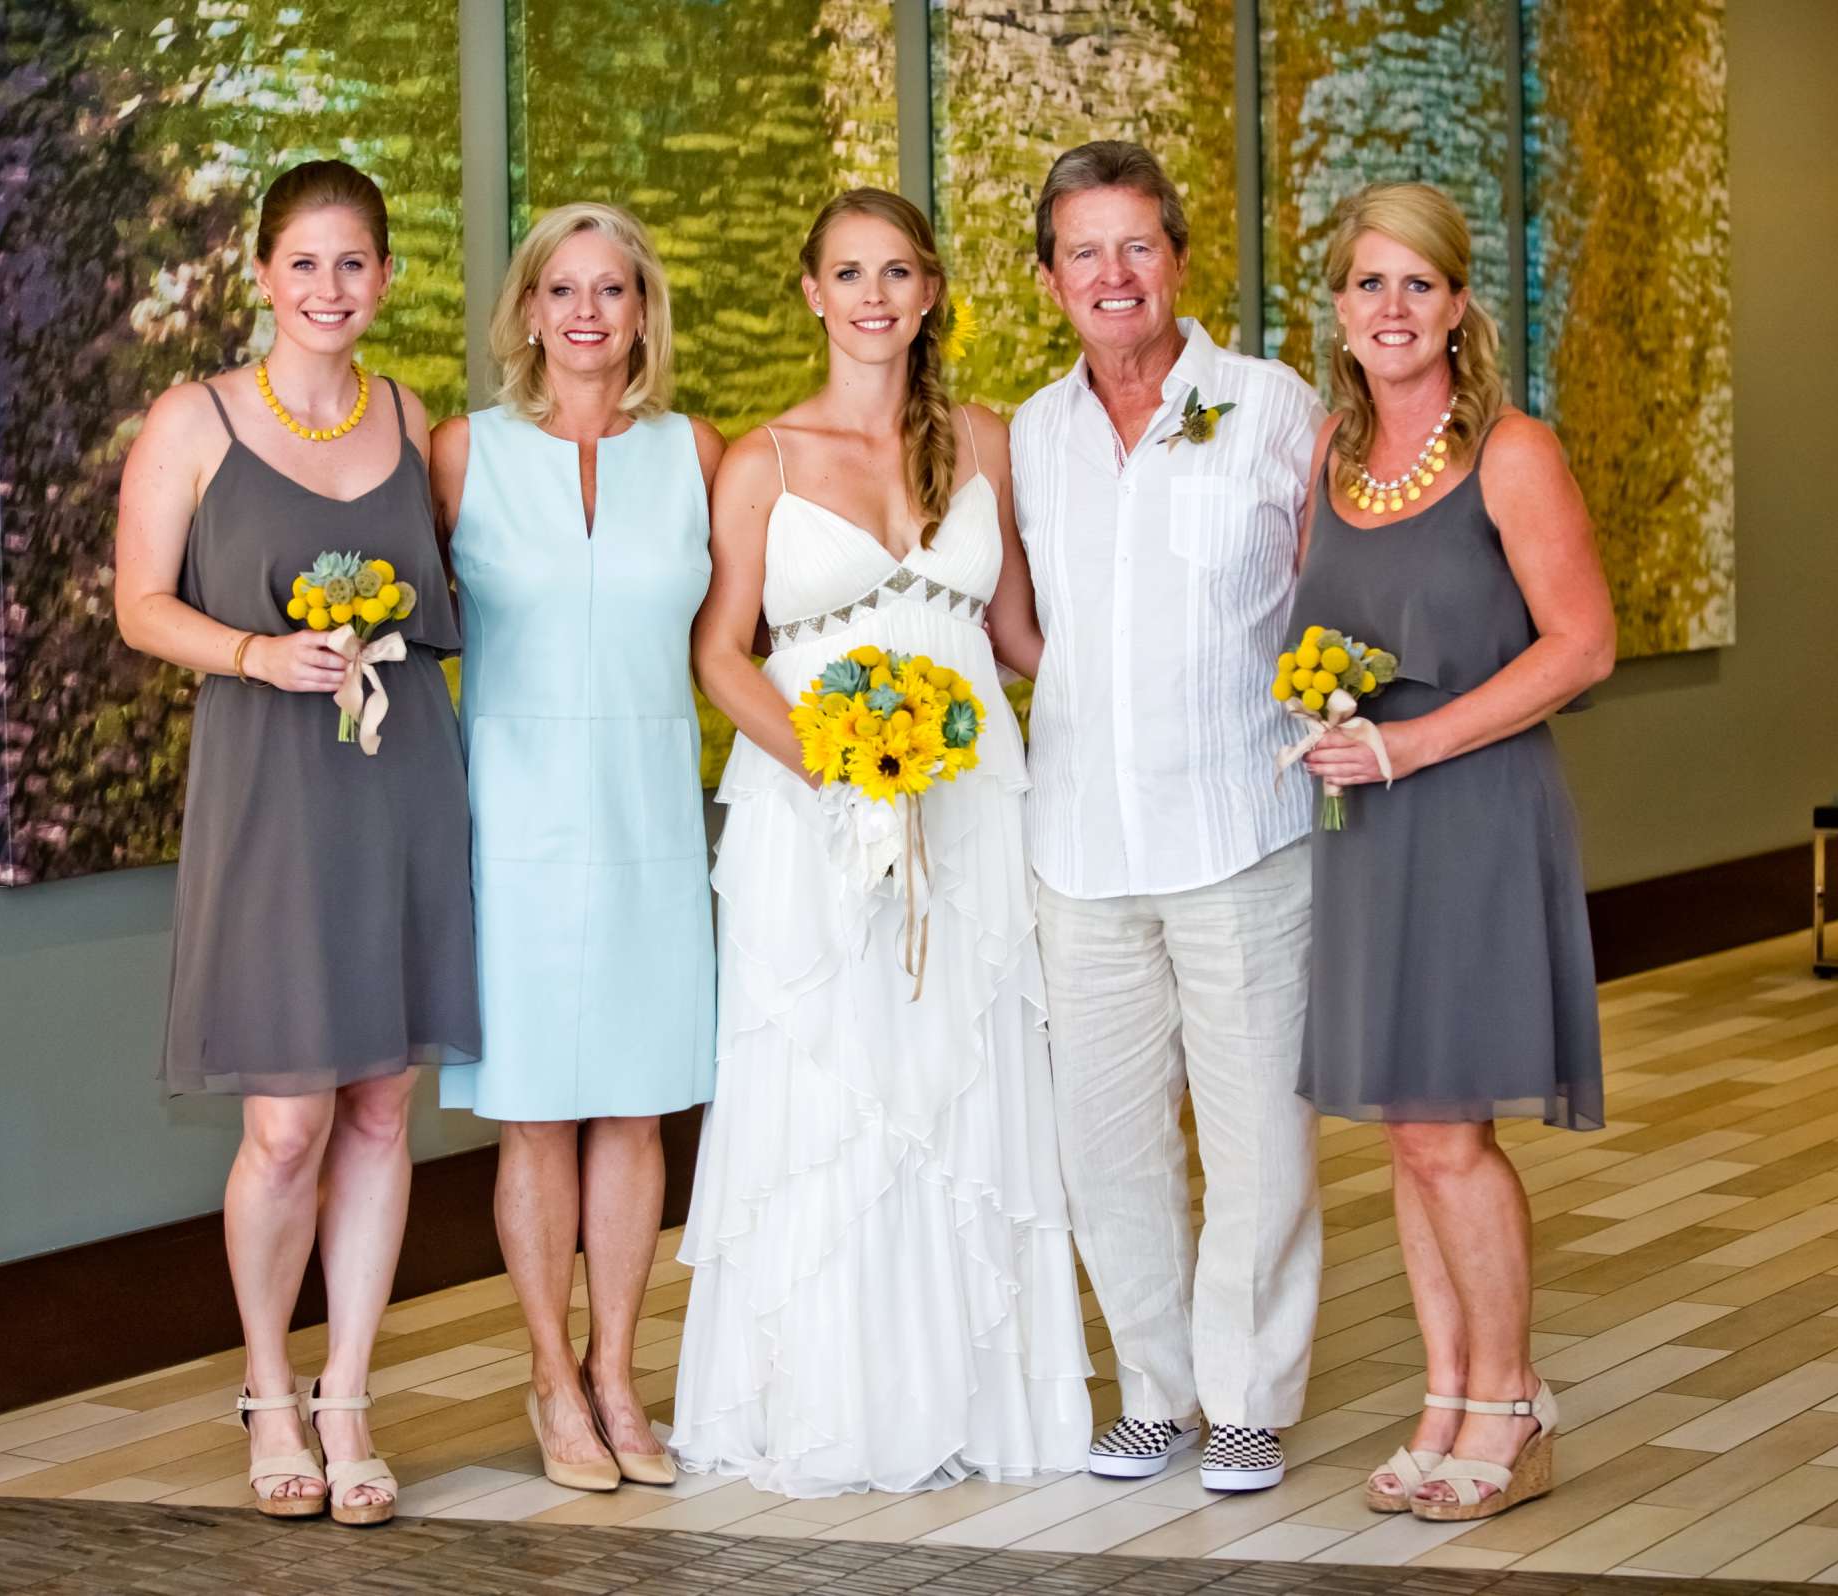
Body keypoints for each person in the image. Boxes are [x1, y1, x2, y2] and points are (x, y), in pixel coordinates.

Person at [673, 187, 1090, 1498]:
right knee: (832, 1088)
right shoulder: (764, 459)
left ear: (928, 292)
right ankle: (820, 1402)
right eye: (848, 273)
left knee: (963, 1073)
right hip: (811, 818)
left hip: (970, 806)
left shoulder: (987, 441)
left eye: (896, 272)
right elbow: (716, 651)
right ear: (813, 292)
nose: (871, 295)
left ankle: (983, 1397)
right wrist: (840, 766)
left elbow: (1020, 637)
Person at [114, 159, 480, 1525]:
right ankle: (269, 1383)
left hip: (398, 784)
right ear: (262, 276)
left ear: (384, 280)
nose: (330, 288)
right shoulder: (193, 420)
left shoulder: (407, 413)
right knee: (287, 1122)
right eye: (304, 264)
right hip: (270, 788)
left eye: (355, 264)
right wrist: (257, 653)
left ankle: (351, 1398)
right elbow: (139, 605)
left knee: (384, 1103)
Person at [1293, 180, 1611, 1522]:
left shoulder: (1513, 453)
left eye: (1418, 284)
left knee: (1448, 1131)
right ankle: (1446, 1396)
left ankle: (1514, 1401)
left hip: (1471, 812)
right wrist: (1318, 707)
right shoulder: (1330, 457)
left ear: (1460, 304)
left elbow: (1581, 647)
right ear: (1339, 307)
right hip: (1365, 825)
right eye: (1370, 284)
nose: (1393, 309)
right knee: (1408, 1135)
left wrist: (1410, 747)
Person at [1009, 140, 1324, 1490]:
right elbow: (1024, 621)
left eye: (1137, 245)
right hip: (1078, 846)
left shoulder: (1268, 404)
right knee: (1103, 1139)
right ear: (1049, 277)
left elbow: (1328, 595)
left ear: (1180, 261)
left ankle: (1249, 1395)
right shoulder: (1034, 428)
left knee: (1257, 1132)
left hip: (1239, 828)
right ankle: (1156, 1388)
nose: (1114, 274)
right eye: (1086, 251)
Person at [429, 202, 722, 1494]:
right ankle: (549, 1373)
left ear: (643, 311)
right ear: (529, 310)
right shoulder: (462, 454)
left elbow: (742, 637)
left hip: (653, 820)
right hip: (520, 827)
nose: (588, 312)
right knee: (538, 1115)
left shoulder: (698, 454)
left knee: (639, 1107)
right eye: (564, 288)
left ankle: (619, 1370)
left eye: (613, 289)